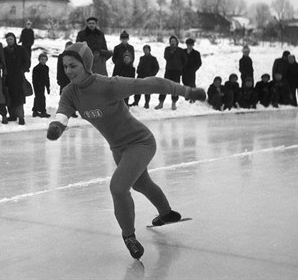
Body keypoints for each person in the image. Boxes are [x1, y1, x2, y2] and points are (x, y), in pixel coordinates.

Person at [46, 42, 206, 259]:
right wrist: (56, 127)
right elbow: (63, 113)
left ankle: (128, 236)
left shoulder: (108, 85)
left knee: (118, 188)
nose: (68, 71)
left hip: (140, 142)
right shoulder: (70, 92)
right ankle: (167, 213)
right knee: (142, 183)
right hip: (118, 149)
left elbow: (149, 84)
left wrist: (187, 91)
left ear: (85, 64)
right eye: (65, 66)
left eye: (73, 65)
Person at [3, 32, 29, 125]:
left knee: (19, 97)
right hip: (8, 77)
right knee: (9, 96)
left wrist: (22, 70)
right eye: (8, 39)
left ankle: (21, 117)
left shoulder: (21, 49)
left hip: (18, 77)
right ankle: (12, 115)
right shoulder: (4, 50)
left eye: (11, 39)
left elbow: (27, 61)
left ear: (14, 39)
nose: (9, 41)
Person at [156, 35, 187, 110]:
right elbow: (166, 57)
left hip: (177, 71)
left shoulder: (180, 50)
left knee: (175, 87)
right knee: (164, 87)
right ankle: (161, 103)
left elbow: (185, 60)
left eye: (174, 41)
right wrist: (172, 52)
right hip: (169, 70)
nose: (173, 43)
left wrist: (180, 66)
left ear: (177, 42)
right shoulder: (167, 49)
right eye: (171, 41)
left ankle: (174, 103)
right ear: (170, 42)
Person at [32, 52, 51, 118]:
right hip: (37, 85)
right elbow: (34, 79)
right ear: (39, 60)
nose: (43, 61)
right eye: (42, 59)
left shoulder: (46, 68)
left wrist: (48, 87)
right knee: (40, 97)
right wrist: (38, 85)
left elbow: (47, 77)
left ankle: (35, 110)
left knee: (40, 97)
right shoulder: (36, 68)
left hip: (43, 85)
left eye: (45, 59)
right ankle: (42, 111)